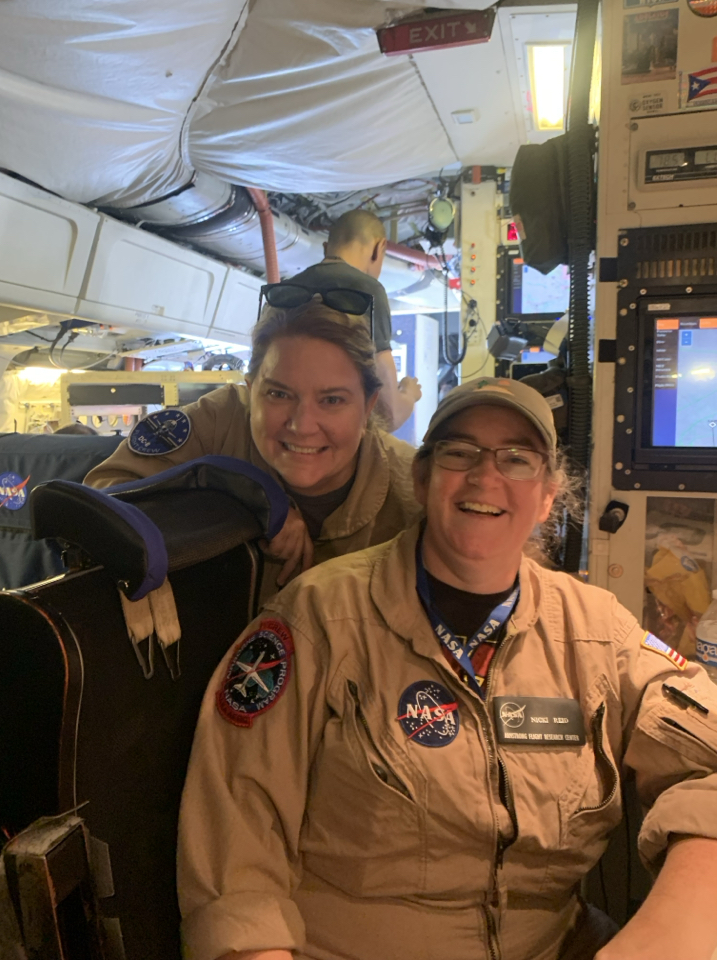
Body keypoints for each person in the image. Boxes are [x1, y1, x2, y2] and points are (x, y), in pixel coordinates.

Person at [178, 376, 717, 960]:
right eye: (460, 453)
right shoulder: (315, 622)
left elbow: (706, 750)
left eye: (516, 458)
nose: (486, 477)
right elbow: (236, 864)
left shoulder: (594, 630)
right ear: (422, 478)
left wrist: (670, 929)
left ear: (545, 496)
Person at [85, 300, 422, 605]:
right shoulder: (220, 422)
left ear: (368, 408)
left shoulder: (415, 495)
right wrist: (243, 499)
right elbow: (102, 497)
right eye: (278, 394)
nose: (302, 425)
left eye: (332, 400)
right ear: (251, 392)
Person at [291, 209, 422, 431]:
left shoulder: (286, 291)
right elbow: (388, 416)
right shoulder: (368, 291)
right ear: (379, 248)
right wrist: (409, 394)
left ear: (326, 249)